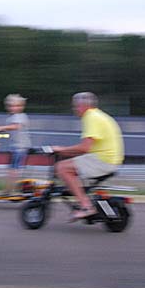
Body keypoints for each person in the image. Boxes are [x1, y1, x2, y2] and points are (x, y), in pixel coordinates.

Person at [52, 92, 124, 221]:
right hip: (110, 159)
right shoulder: (99, 115)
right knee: (72, 164)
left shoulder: (90, 117)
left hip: (103, 160)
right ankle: (86, 200)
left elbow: (84, 148)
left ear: (84, 106)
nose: (74, 109)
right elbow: (86, 149)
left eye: (76, 106)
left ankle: (86, 206)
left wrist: (61, 150)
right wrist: (66, 152)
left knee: (62, 167)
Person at [0, 94, 31, 195]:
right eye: (11, 106)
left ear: (22, 106)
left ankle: (9, 190)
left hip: (20, 147)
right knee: (11, 169)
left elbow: (16, 127)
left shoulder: (20, 116)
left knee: (13, 169)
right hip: (15, 147)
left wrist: (1, 128)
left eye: (17, 106)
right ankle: (9, 189)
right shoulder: (11, 118)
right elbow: (9, 132)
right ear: (7, 107)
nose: (14, 108)